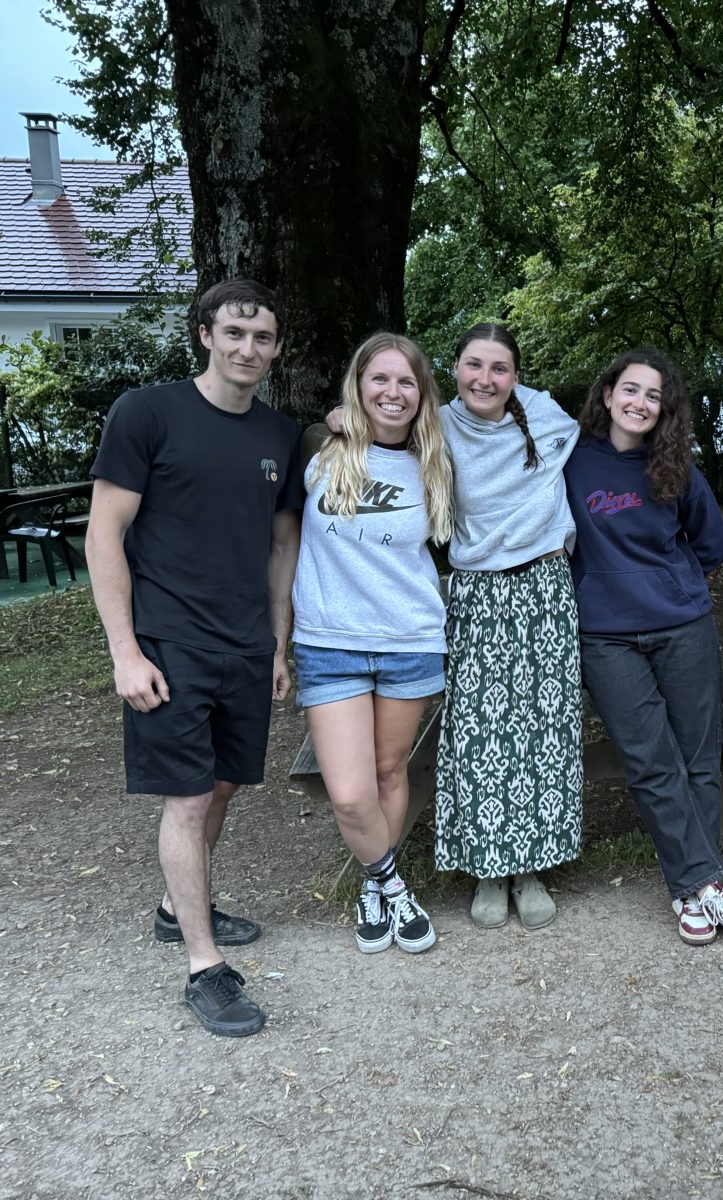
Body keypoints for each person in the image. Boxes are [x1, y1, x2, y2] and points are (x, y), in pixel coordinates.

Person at [87, 279, 301, 1037]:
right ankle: (204, 968)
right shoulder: (147, 413)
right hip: (169, 643)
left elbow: (283, 544)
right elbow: (104, 534)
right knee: (185, 798)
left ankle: (181, 908)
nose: (249, 348)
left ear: (275, 348)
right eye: (235, 332)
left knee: (222, 787)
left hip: (245, 644)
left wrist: (276, 643)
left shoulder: (280, 434)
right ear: (205, 334)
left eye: (263, 337)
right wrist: (125, 650)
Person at [565, 348, 723, 947]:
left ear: (664, 408)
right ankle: (708, 886)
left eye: (653, 396)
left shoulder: (674, 465)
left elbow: (709, 545)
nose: (640, 403)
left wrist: (669, 584)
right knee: (651, 761)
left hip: (682, 626)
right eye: (630, 390)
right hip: (605, 635)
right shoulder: (569, 460)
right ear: (607, 395)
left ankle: (692, 894)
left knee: (697, 755)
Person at [292, 333, 453, 956]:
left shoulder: (436, 461)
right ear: (357, 385)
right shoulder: (319, 448)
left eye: (406, 381)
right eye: (379, 379)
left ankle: (373, 887)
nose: (392, 392)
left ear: (421, 394)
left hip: (409, 639)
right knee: (350, 790)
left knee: (389, 771)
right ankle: (390, 881)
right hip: (329, 642)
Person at [436, 323, 583, 929]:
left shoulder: (546, 418)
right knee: (479, 731)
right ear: (456, 369)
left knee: (544, 728)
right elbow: (368, 416)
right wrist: (338, 419)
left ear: (516, 376)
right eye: (475, 365)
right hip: (476, 589)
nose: (486, 379)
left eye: (500, 368)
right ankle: (488, 868)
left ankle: (532, 869)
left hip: (545, 586)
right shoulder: (436, 423)